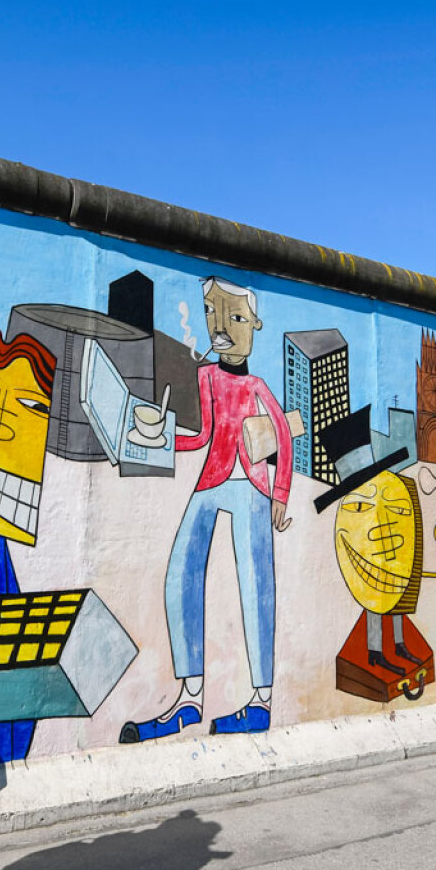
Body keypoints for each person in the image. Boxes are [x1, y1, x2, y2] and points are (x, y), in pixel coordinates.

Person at [123, 278, 291, 741]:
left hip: (253, 486)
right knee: (181, 572)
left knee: (256, 584)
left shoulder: (257, 385)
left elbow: (283, 436)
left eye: (235, 317)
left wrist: (279, 494)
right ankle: (190, 697)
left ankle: (261, 700)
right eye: (214, 315)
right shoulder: (207, 377)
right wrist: (161, 440)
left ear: (254, 326)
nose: (222, 327)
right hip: (214, 478)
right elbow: (201, 436)